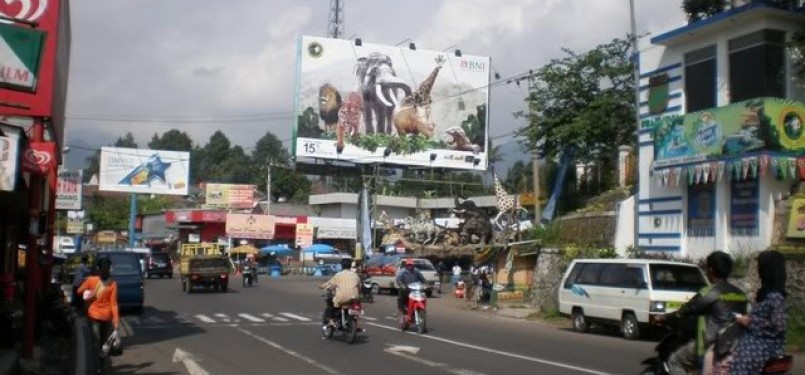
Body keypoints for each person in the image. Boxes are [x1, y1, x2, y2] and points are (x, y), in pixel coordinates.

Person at [654, 251, 748, 375]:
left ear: (710, 270)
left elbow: (684, 311)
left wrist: (663, 317)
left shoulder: (708, 292)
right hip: (736, 345)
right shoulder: (740, 293)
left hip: (712, 345)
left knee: (674, 362)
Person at [720, 250, 787, 375]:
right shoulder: (766, 292)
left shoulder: (775, 296)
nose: (758, 270)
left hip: (761, 347)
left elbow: (778, 326)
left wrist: (749, 321)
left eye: (760, 267)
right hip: (753, 342)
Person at [77, 258, 119, 368]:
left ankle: (97, 366)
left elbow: (79, 291)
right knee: (103, 342)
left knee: (95, 341)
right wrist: (116, 321)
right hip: (106, 316)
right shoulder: (113, 284)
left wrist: (90, 293)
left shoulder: (91, 280)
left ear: (98, 269)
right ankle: (101, 364)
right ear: (110, 269)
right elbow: (113, 304)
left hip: (94, 315)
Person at [320, 258, 361, 329]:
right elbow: (360, 286)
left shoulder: (338, 275)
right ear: (350, 266)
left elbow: (330, 284)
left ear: (341, 266)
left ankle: (331, 320)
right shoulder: (355, 275)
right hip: (354, 298)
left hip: (341, 298)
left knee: (329, 301)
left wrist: (322, 286)